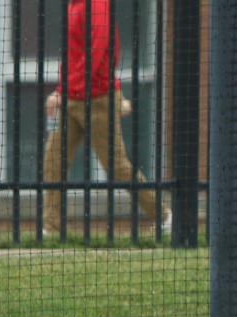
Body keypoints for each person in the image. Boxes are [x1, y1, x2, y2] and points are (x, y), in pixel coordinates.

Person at [42, 0, 161, 237]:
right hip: (72, 97)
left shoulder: (96, 3)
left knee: (117, 167)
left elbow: (97, 51)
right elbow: (74, 56)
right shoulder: (74, 5)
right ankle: (51, 230)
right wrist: (62, 90)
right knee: (54, 161)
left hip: (97, 99)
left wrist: (68, 89)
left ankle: (164, 216)